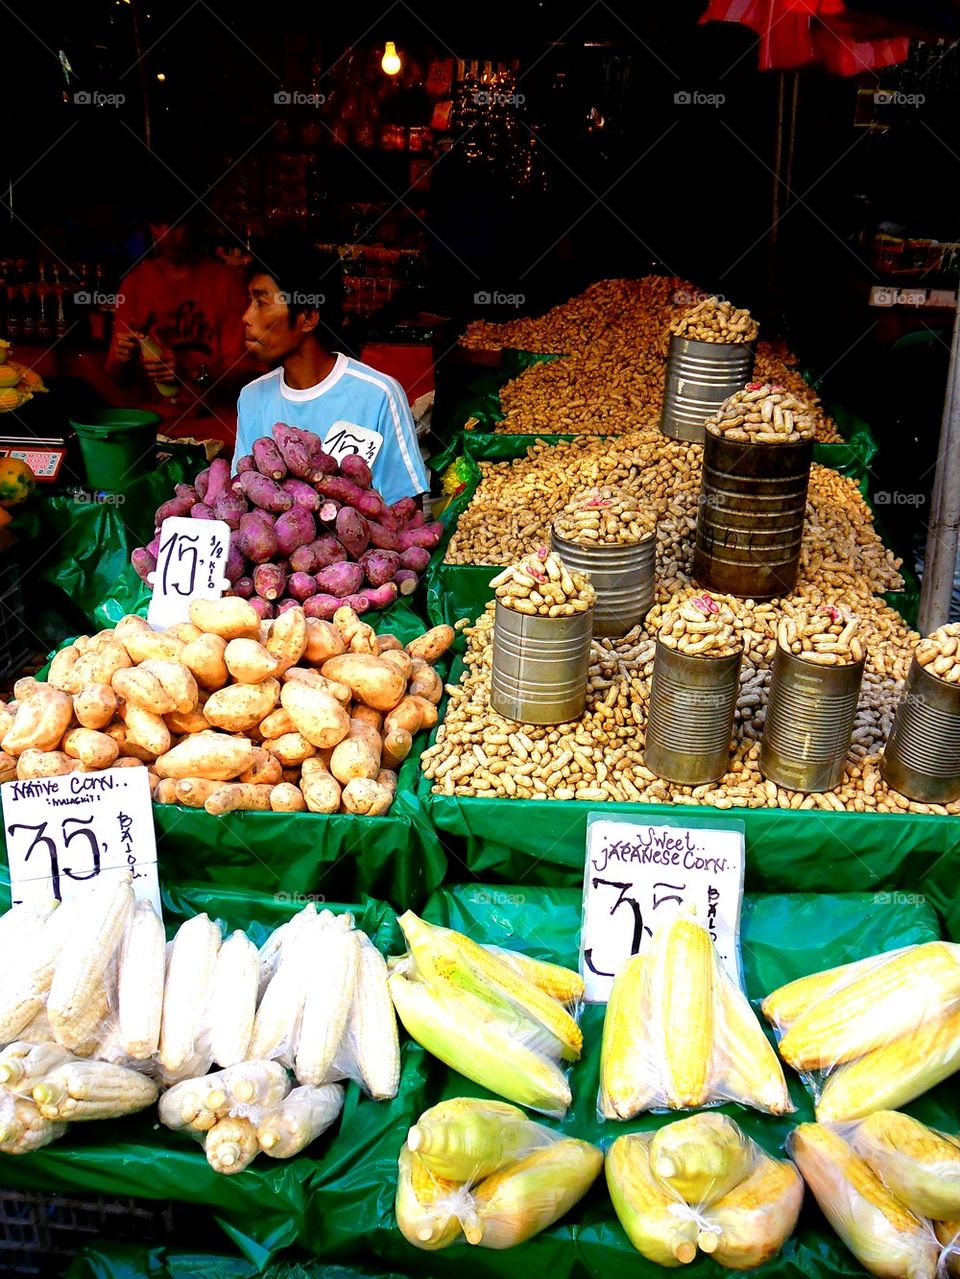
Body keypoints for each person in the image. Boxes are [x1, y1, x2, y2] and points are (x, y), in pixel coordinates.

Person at [232, 233, 429, 506]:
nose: (246, 316)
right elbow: (242, 493)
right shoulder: (252, 398)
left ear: (308, 317)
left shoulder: (378, 395)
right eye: (249, 301)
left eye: (261, 302)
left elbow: (407, 507)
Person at [106, 200, 251, 419]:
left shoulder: (225, 283)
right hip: (149, 423)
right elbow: (118, 379)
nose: (168, 233)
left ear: (194, 225)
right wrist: (124, 360)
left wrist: (190, 370)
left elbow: (246, 374)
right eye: (158, 224)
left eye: (177, 224)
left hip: (214, 423)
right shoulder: (135, 283)